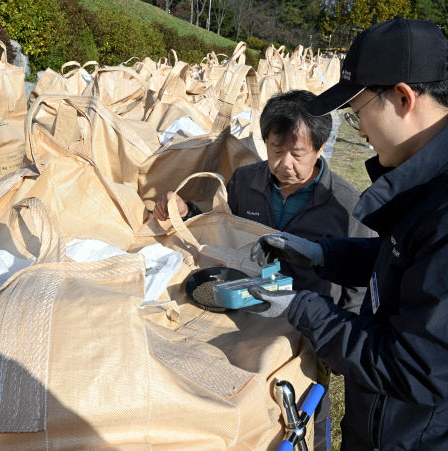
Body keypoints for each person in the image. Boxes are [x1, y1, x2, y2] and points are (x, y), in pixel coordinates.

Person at [248, 17, 448, 450]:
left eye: (358, 115)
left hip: (426, 437)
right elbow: (409, 260)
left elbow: (412, 367)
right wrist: (321, 254)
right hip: (388, 425)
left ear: (403, 98)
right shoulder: (447, 170)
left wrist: (300, 306)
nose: (363, 132)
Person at [154, 89, 375, 451]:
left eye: (297, 154)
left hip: (309, 326)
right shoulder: (246, 182)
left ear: (320, 149)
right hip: (248, 313)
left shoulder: (346, 205)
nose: (284, 163)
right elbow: (221, 228)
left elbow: (360, 283)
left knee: (307, 405)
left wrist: (343, 335)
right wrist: (187, 211)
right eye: (276, 150)